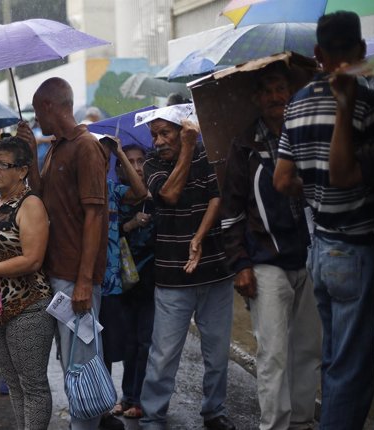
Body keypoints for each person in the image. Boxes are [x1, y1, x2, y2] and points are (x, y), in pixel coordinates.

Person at [273, 12, 374, 429]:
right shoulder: (366, 103)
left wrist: (313, 189)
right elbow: (344, 175)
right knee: (351, 371)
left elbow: (283, 179)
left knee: (333, 360)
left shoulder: (296, 103)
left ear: (316, 53)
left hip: (320, 250)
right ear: (360, 52)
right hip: (355, 248)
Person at [220, 64, 321, 430]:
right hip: (266, 261)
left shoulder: (306, 136)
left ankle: (303, 421)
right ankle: (275, 425)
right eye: (268, 91)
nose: (277, 97)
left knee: (308, 349)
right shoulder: (245, 145)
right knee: (274, 353)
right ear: (256, 99)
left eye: (282, 89)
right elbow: (230, 212)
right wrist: (240, 264)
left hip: (310, 257)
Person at [17, 77, 109, 430]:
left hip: (76, 278)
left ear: (50, 107)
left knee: (81, 363)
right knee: (71, 359)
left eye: (38, 113)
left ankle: (85, 425)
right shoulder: (56, 147)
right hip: (60, 275)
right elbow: (41, 196)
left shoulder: (86, 146)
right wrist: (29, 149)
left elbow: (94, 216)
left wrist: (84, 281)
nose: (37, 121)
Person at [137, 104, 235, 430]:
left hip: (216, 271)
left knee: (218, 352)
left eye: (165, 133)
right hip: (171, 276)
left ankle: (214, 412)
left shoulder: (208, 154)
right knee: (164, 354)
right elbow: (169, 194)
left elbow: (217, 198)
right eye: (154, 135)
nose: (158, 141)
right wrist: (188, 149)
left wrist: (199, 236)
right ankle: (153, 416)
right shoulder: (152, 164)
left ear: (183, 130)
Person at [0, 136, 56, 430]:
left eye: (2, 164)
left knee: (33, 387)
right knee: (14, 386)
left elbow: (32, 259)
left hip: (28, 306)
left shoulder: (30, 205)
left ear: (22, 170)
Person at [98, 136, 148, 430]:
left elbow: (140, 191)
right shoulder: (80, 189)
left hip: (113, 283)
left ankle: (106, 405)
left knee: (111, 348)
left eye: (106, 159)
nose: (101, 162)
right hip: (89, 283)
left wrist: (119, 152)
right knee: (93, 352)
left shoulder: (111, 189)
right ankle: (98, 409)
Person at [111, 144, 155, 421]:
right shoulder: (117, 197)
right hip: (125, 279)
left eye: (141, 161)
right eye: (131, 162)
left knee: (146, 342)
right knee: (127, 342)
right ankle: (127, 396)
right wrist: (130, 224)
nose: (137, 167)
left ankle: (141, 398)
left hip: (151, 277)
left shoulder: (157, 194)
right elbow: (108, 233)